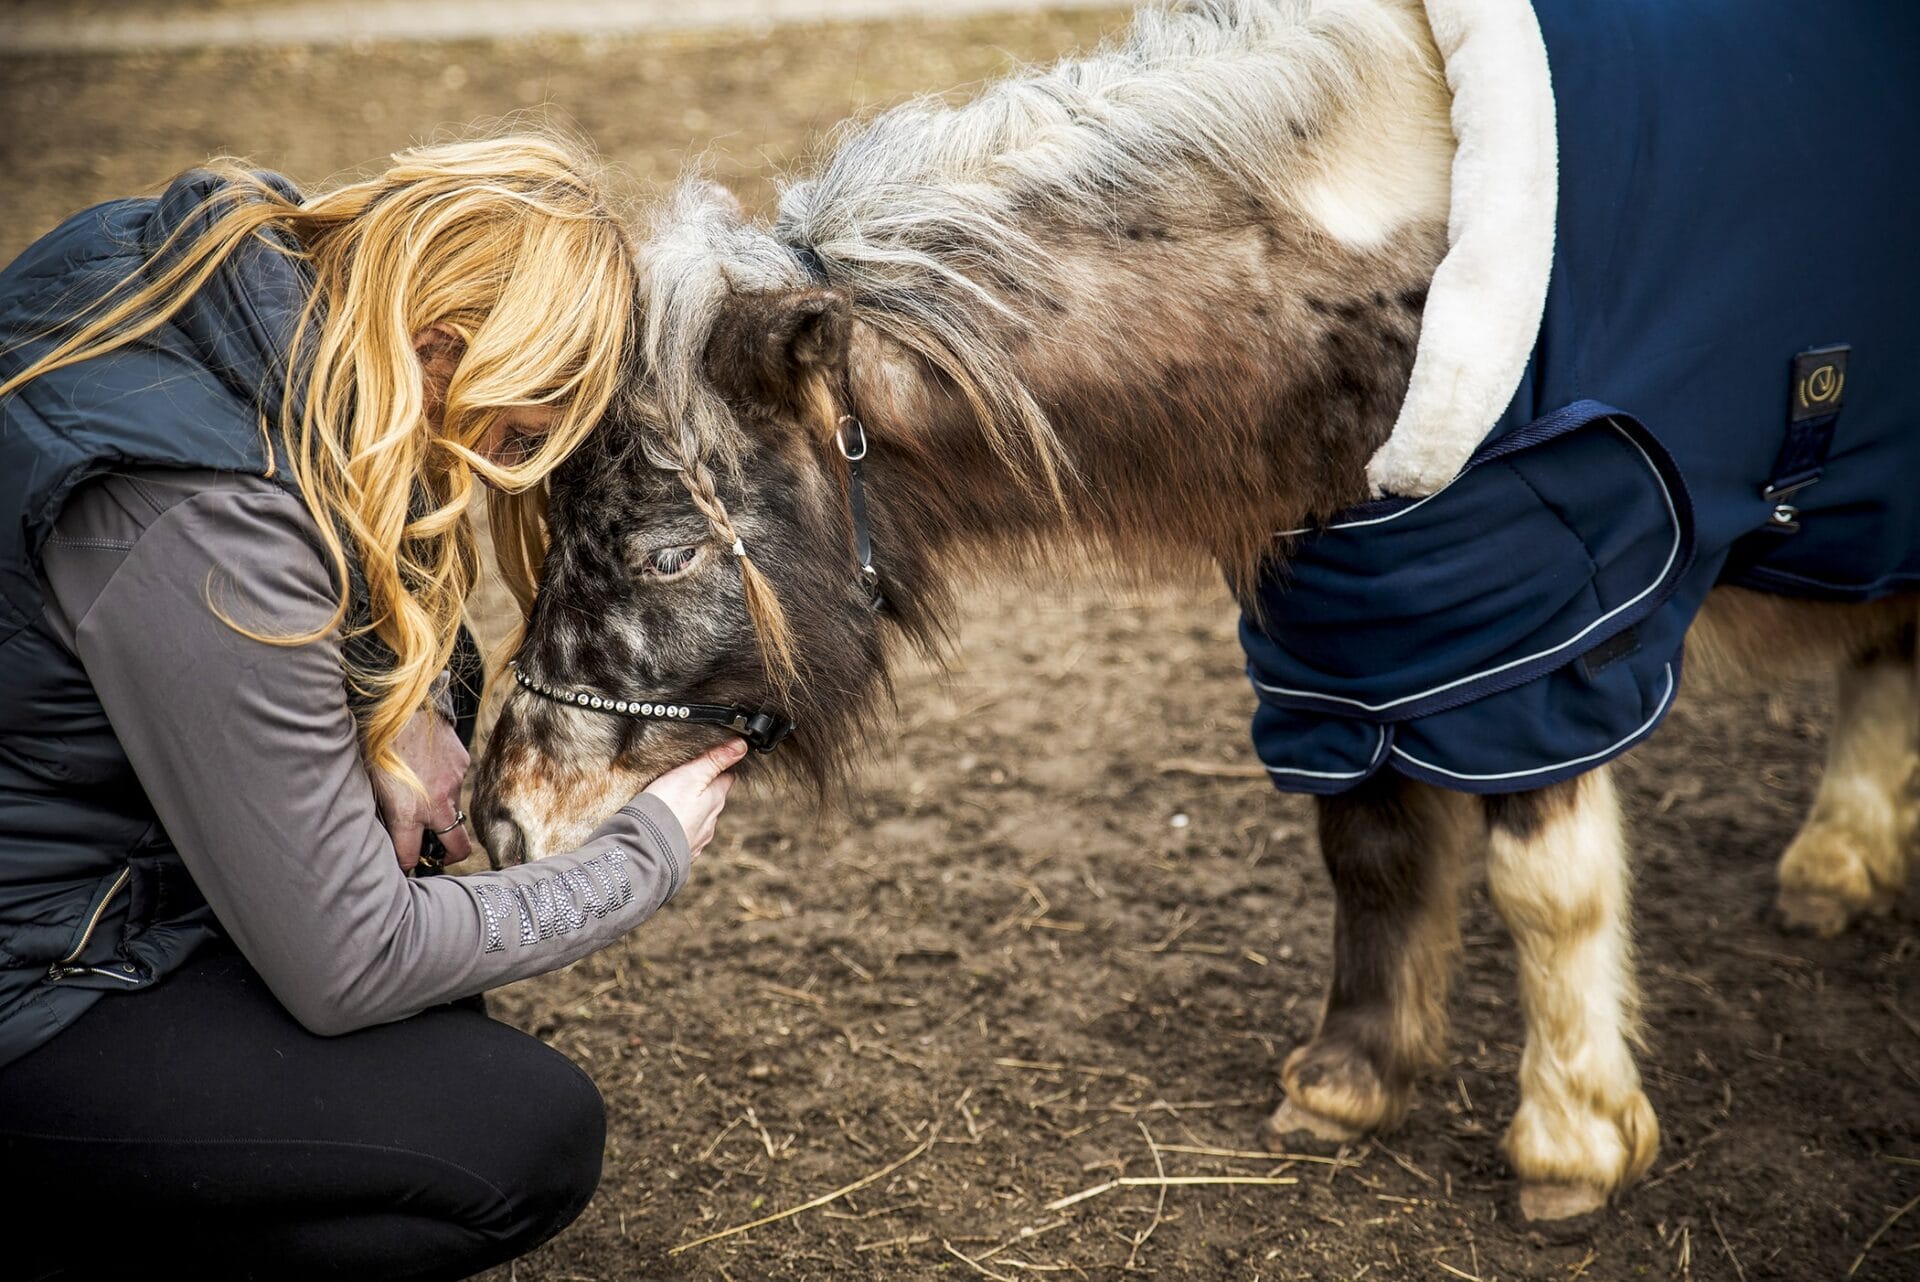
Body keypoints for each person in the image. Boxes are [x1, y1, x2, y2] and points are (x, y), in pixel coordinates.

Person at [0, 134, 745, 1280]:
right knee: (509, 1138)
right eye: (515, 434)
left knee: (438, 1031)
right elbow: (352, 963)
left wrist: (388, 706)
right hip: (33, 979)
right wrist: (643, 854)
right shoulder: (210, 522)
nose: (495, 470)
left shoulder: (208, 291)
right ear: (440, 345)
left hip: (91, 890)